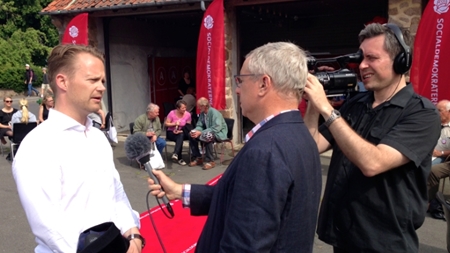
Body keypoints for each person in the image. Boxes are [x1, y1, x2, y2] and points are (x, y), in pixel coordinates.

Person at [148, 42, 322, 252]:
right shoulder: (301, 134)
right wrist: (180, 191)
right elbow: (242, 200)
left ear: (264, 84)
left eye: (241, 80)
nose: (237, 89)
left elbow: (243, 245)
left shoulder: (265, 151)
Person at [304, 23, 440, 252]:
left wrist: (327, 110)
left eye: (372, 58)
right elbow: (312, 145)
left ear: (401, 61)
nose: (362, 65)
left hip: (384, 244)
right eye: (361, 57)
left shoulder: (422, 113)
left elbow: (373, 163)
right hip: (343, 237)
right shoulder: (355, 104)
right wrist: (314, 104)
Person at [12, 44, 143, 252]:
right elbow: (50, 228)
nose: (101, 87)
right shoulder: (38, 146)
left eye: (102, 81)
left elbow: (116, 193)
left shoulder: (98, 137)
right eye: (92, 80)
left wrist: (133, 234)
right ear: (62, 81)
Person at [188, 97, 227, 170]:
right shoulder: (202, 114)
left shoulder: (215, 113)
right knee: (191, 135)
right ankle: (198, 157)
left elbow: (217, 128)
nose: (199, 108)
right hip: (206, 131)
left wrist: (201, 132)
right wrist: (196, 131)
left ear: (205, 106)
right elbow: (199, 125)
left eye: (200, 106)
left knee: (208, 136)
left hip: (219, 133)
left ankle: (210, 161)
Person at [165, 100, 191, 166]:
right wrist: (174, 124)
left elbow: (188, 126)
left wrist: (181, 130)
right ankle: (179, 158)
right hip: (171, 132)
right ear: (178, 108)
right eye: (183, 108)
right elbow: (166, 124)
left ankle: (176, 154)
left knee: (181, 135)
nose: (184, 109)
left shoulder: (188, 114)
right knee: (180, 137)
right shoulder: (172, 113)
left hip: (182, 132)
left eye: (185, 107)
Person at [431, 99, 450, 165]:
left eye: (439, 110)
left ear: (449, 112)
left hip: (443, 157)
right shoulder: (432, 124)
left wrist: (441, 153)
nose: (436, 113)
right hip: (428, 155)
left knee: (430, 168)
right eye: (436, 110)